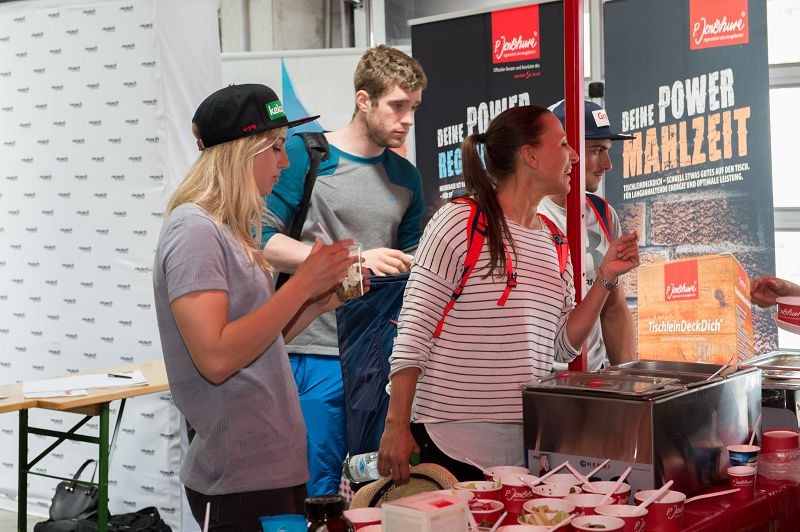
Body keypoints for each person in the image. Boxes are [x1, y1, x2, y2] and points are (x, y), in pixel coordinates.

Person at [376, 105, 640, 484]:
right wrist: (396, 425)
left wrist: (605, 278)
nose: (574, 155)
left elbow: (561, 347)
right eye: (563, 144)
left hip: (523, 450)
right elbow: (413, 334)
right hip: (447, 443)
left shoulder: (554, 239)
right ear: (530, 156)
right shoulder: (460, 221)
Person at [153, 83, 360, 530]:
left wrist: (316, 302)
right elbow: (216, 358)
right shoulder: (194, 231)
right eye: (277, 148)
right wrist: (299, 286)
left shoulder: (229, 228)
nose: (285, 163)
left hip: (270, 468)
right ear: (241, 153)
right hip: (238, 479)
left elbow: (257, 342)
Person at [261, 44, 428, 496]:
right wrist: (352, 260)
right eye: (397, 105)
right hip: (312, 349)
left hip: (379, 360)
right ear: (363, 100)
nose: (407, 119)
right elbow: (262, 241)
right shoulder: (305, 156)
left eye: (413, 107)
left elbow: (412, 264)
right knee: (314, 490)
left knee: (377, 488)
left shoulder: (405, 176)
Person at [538, 99, 636, 370]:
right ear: (564, 149)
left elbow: (614, 307)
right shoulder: (526, 215)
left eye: (608, 151)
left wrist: (628, 382)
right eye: (597, 150)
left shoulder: (603, 213)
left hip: (591, 380)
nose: (607, 164)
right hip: (540, 381)